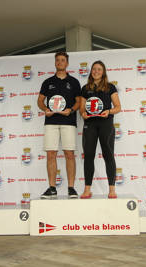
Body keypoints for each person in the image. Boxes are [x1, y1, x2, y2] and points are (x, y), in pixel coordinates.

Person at [37, 52, 81, 199]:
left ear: (67, 63)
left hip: (68, 122)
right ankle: (52, 188)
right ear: (55, 63)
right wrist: (45, 110)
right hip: (51, 122)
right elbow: (40, 101)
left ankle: (71, 188)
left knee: (69, 154)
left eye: (63, 60)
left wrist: (72, 110)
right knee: (51, 154)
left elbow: (79, 101)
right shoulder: (47, 82)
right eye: (58, 60)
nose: (60, 62)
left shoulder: (74, 82)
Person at [79, 60, 121, 199]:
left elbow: (118, 107)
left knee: (108, 154)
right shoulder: (85, 88)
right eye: (94, 69)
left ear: (103, 72)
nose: (96, 71)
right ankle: (87, 189)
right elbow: (82, 108)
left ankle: (112, 189)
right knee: (89, 155)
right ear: (91, 71)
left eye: (99, 69)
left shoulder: (110, 87)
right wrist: (83, 113)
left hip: (106, 124)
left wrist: (108, 112)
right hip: (90, 124)